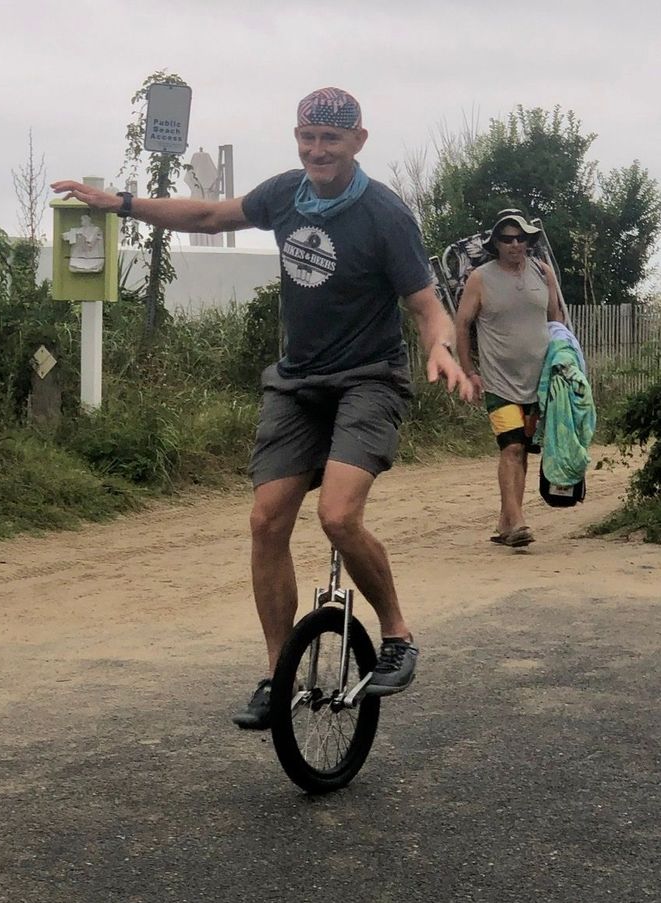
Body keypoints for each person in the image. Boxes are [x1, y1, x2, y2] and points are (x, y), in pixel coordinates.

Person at [52, 86, 472, 730]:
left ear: (358, 141)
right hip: (297, 385)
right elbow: (209, 217)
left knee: (337, 516)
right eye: (307, 137)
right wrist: (124, 203)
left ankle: (396, 635)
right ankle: (279, 675)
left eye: (330, 139)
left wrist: (441, 348)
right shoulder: (284, 194)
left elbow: (425, 306)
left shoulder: (385, 216)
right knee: (265, 521)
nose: (316, 150)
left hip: (368, 382)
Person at [455, 209, 563, 548]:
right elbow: (461, 324)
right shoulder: (480, 279)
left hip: (539, 382)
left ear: (529, 241)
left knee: (524, 451)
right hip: (499, 384)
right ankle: (518, 522)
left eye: (521, 238)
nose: (515, 244)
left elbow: (556, 318)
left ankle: (506, 522)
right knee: (512, 446)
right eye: (507, 239)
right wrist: (469, 371)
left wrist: (564, 362)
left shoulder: (543, 273)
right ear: (496, 244)